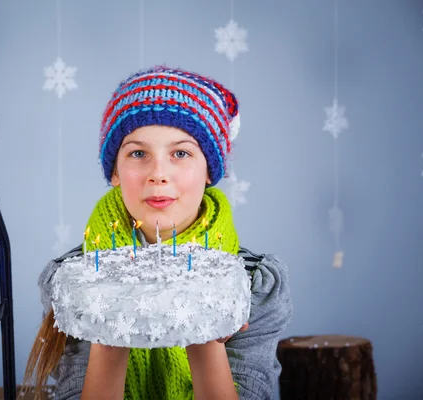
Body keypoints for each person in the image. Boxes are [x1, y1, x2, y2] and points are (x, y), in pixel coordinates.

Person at [22, 65, 293, 400]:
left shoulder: (253, 283)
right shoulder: (74, 281)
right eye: (138, 153)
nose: (158, 174)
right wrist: (109, 324)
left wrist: (205, 328)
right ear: (115, 172)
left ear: (210, 168)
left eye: (181, 153)